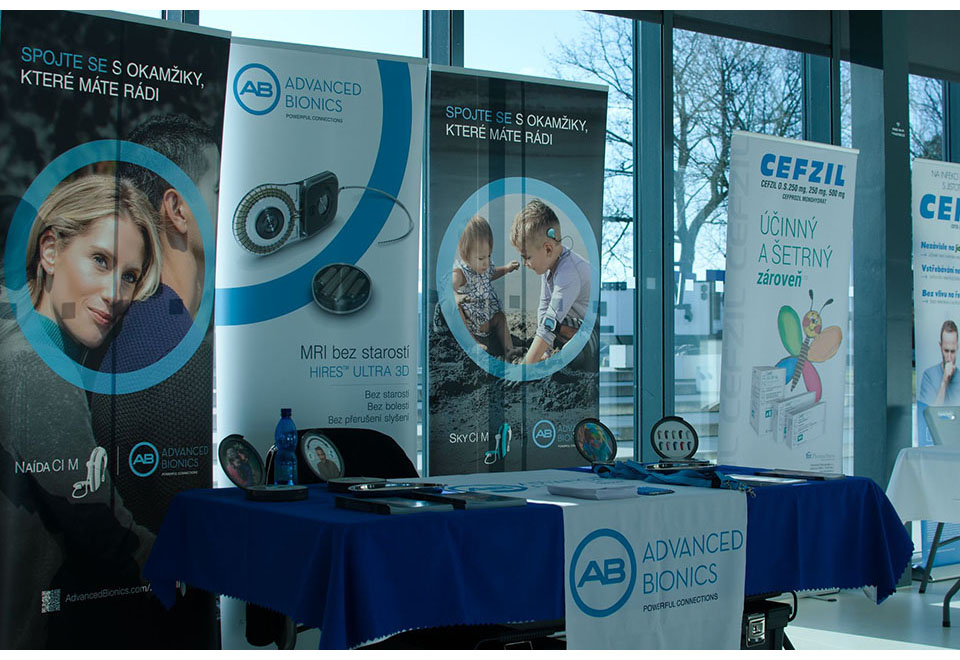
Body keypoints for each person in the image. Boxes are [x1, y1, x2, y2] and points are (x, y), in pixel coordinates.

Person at [0, 175, 160, 648]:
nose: (115, 293)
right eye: (100, 261)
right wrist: (196, 566)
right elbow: (108, 536)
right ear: (50, 251)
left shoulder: (19, 335)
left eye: (129, 276)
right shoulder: (35, 367)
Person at [97, 113, 220, 373]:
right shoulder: (170, 351)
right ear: (177, 210)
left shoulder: (136, 328)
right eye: (219, 190)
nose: (234, 203)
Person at [509, 199, 592, 366]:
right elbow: (544, 307)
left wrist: (525, 367)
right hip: (578, 322)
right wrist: (545, 350)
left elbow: (550, 324)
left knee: (572, 354)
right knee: (551, 326)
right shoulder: (550, 266)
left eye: (527, 257)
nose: (524, 263)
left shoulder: (569, 273)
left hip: (596, 329)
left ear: (548, 249)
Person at [452, 214, 520, 358]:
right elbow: (449, 287)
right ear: (465, 255)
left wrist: (507, 269)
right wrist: (456, 296)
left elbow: (491, 274)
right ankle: (473, 342)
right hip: (470, 321)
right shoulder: (461, 273)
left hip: (486, 318)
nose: (486, 262)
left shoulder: (485, 267)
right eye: (481, 258)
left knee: (500, 317)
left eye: (488, 255)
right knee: (456, 309)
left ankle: (509, 349)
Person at [919, 320, 960, 406]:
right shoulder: (928, 377)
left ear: (957, 347)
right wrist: (944, 382)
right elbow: (930, 413)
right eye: (946, 351)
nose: (949, 358)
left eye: (952, 351)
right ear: (940, 346)